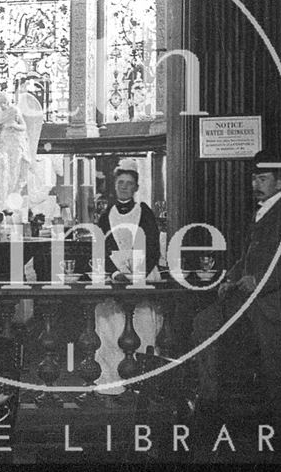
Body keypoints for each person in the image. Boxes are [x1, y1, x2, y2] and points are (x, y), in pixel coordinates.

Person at [191, 150, 281, 434]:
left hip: (272, 305)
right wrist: (231, 277)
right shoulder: (260, 211)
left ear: (280, 183)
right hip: (244, 301)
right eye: (254, 177)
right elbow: (246, 257)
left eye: (263, 178)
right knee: (203, 323)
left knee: (278, 370)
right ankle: (209, 407)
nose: (256, 183)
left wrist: (259, 282)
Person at [93, 158, 163, 395]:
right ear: (115, 186)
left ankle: (139, 382)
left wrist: (138, 272)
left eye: (129, 183)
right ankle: (113, 378)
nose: (124, 187)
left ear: (136, 187)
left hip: (141, 277)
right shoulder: (106, 216)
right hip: (116, 279)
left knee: (142, 323)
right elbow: (100, 249)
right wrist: (114, 272)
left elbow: (154, 248)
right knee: (110, 321)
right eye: (120, 183)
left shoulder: (145, 213)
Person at [0, 92, 31, 202]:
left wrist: (14, 125)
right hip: (3, 142)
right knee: (4, 168)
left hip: (15, 141)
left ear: (8, 101)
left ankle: (13, 194)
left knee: (14, 169)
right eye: (0, 103)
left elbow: (24, 126)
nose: (2, 105)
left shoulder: (15, 110)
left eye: (4, 102)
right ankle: (4, 196)